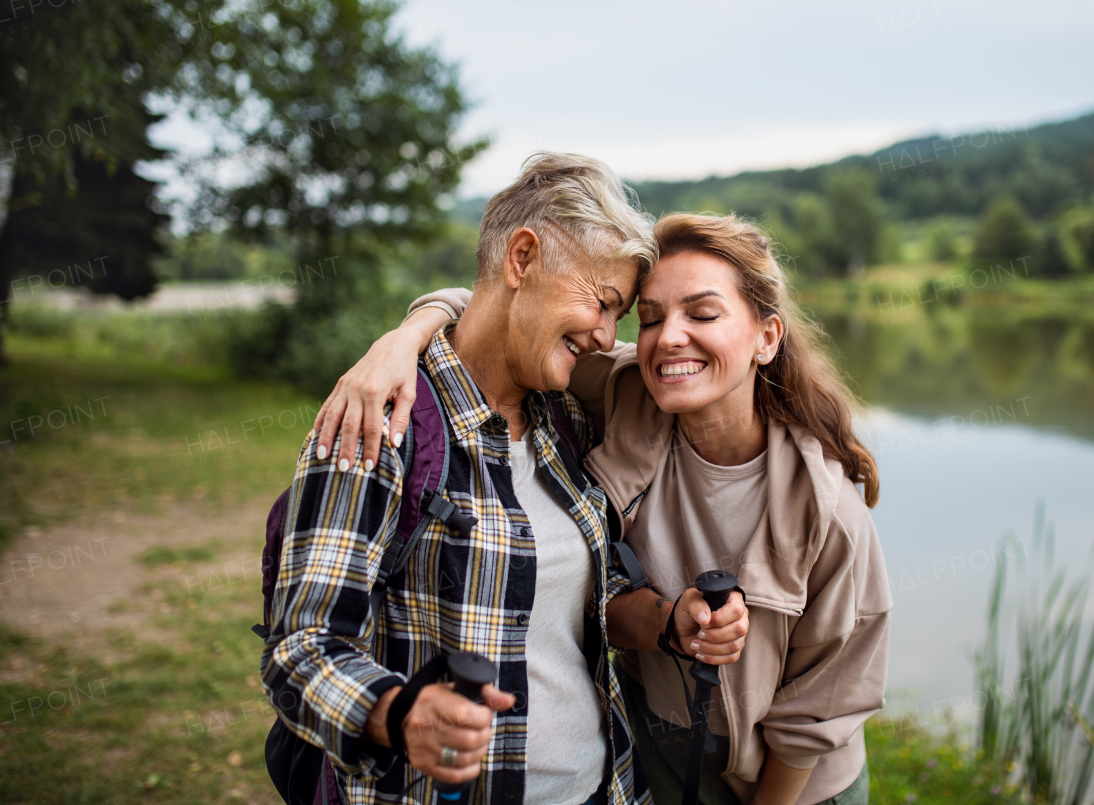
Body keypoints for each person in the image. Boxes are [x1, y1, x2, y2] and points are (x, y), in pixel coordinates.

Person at [316, 213, 892, 805]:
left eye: (702, 314)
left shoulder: (828, 508)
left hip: (793, 779)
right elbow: (504, 313)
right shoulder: (624, 389)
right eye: (648, 318)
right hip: (657, 753)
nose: (669, 337)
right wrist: (404, 338)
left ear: (767, 338)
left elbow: (827, 702)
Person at [262, 154, 750, 805]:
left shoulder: (564, 417)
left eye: (619, 315)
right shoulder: (383, 421)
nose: (607, 337)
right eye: (602, 302)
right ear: (521, 259)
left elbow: (584, 591)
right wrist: (398, 714)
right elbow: (299, 649)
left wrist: (670, 622)